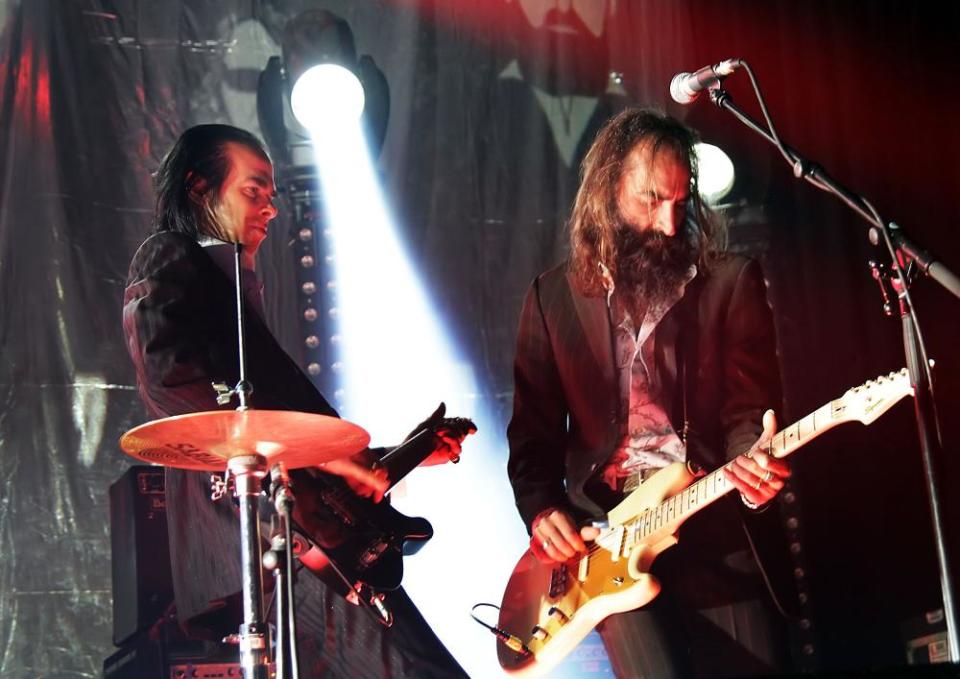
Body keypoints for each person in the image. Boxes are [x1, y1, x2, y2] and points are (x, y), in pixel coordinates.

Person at [122, 124, 470, 677]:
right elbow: (172, 382)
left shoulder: (234, 284)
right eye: (252, 190)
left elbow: (276, 431)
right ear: (198, 187)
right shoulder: (167, 255)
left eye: (272, 194)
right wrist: (333, 457)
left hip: (304, 533)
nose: (270, 208)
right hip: (261, 534)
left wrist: (388, 455)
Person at [507, 108, 795, 678]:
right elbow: (533, 436)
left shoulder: (729, 282)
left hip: (710, 520)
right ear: (609, 189)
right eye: (650, 200)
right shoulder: (551, 300)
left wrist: (751, 467)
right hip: (611, 540)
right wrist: (541, 511)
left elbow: (746, 410)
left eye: (680, 203)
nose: (668, 223)